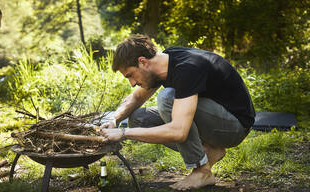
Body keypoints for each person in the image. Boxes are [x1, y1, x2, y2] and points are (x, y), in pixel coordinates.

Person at [100, 35, 255, 190]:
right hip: (214, 120)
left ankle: (202, 171)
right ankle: (210, 150)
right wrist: (114, 119)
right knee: (139, 118)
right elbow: (136, 97)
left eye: (130, 75)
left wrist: (123, 132)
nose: (132, 83)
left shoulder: (188, 68)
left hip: (234, 126)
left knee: (167, 98)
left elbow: (179, 131)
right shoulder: (164, 62)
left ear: (143, 62)